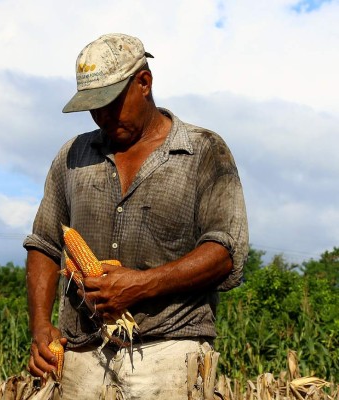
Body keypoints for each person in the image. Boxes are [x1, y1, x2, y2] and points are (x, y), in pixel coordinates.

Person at [23, 33, 248, 399]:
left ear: (144, 83)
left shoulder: (205, 152)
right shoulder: (73, 156)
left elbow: (225, 252)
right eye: (93, 107)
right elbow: (45, 244)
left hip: (169, 353)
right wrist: (39, 325)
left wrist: (141, 284)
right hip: (82, 352)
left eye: (111, 103)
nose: (102, 117)